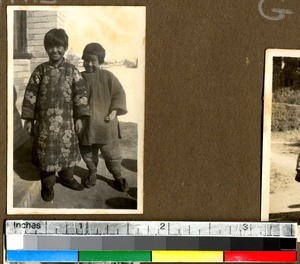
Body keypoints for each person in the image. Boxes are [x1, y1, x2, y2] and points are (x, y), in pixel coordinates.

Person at [21, 28, 89, 202]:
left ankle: (67, 179)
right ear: (46, 49)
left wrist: (80, 118)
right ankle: (48, 186)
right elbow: (30, 95)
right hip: (45, 125)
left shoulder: (72, 71)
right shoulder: (40, 70)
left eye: (59, 46)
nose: (55, 50)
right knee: (47, 158)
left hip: (67, 124)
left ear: (65, 47)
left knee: (68, 156)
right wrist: (29, 119)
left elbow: (80, 95)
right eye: (51, 47)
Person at [79, 42, 129, 192]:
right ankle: (92, 173)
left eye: (93, 61)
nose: (89, 64)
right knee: (88, 153)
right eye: (86, 60)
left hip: (106, 125)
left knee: (112, 153)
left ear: (100, 61)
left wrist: (114, 111)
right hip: (87, 126)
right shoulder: (78, 78)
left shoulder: (108, 76)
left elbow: (119, 94)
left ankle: (118, 176)